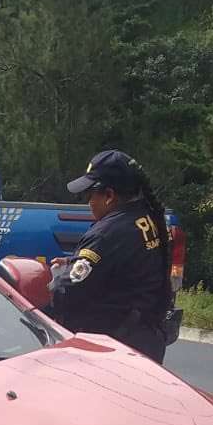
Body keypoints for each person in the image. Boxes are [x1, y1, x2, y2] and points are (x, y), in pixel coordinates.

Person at [49, 149, 175, 362]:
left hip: (117, 347)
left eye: (90, 194)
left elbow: (67, 291)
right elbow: (120, 265)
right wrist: (73, 262)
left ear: (109, 195)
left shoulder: (108, 233)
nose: (88, 202)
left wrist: (49, 285)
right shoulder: (145, 216)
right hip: (146, 339)